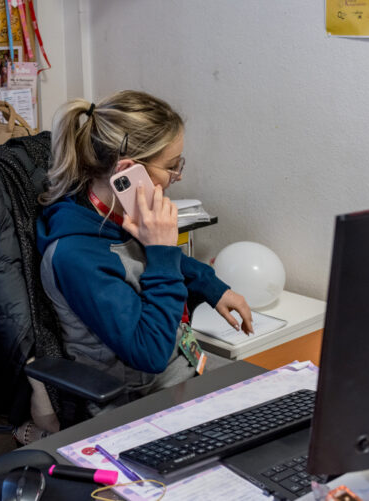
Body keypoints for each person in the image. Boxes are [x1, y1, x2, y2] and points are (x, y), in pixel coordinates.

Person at [36, 90, 253, 409]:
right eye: (172, 166)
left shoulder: (113, 213)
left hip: (180, 369)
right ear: (127, 171)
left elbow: (136, 260)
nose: (177, 176)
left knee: (283, 396)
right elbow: (150, 354)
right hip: (138, 401)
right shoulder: (77, 255)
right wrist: (161, 250)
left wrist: (209, 284)